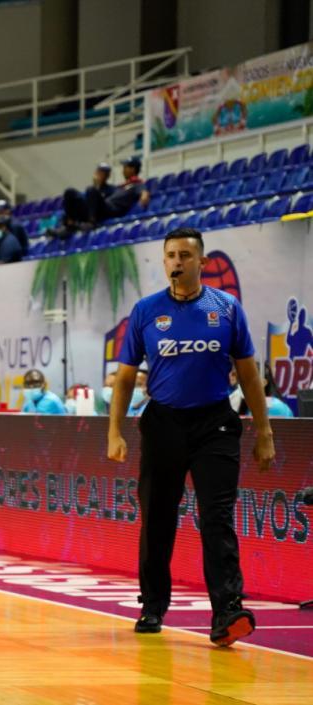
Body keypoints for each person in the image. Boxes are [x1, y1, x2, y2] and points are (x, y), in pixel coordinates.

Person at [107, 227, 275, 647]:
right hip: (163, 423)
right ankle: (153, 605)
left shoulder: (227, 308)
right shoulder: (147, 311)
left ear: (202, 262)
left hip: (215, 423)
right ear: (164, 262)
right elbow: (126, 379)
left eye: (185, 255)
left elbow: (250, 375)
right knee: (158, 518)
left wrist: (264, 430)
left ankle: (227, 611)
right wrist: (115, 430)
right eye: (170, 255)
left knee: (216, 516)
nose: (177, 262)